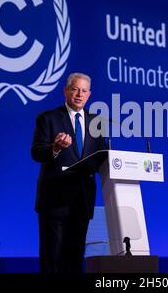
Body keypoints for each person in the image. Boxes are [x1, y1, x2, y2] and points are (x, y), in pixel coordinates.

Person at [31, 72, 107, 273]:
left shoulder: (97, 122)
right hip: (54, 201)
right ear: (66, 91)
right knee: (52, 259)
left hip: (82, 201)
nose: (79, 94)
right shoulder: (48, 119)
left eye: (84, 91)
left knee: (74, 260)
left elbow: (102, 155)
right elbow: (36, 152)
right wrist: (55, 148)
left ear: (89, 95)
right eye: (75, 89)